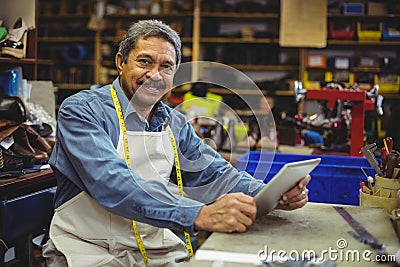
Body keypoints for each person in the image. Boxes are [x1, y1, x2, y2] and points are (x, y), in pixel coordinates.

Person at [42, 19, 311, 266]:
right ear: (121, 62)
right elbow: (111, 182)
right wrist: (196, 215)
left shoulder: (175, 123)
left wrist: (270, 194)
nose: (155, 75)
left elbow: (213, 174)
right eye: (144, 61)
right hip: (88, 250)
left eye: (166, 66)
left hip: (152, 248)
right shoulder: (82, 110)